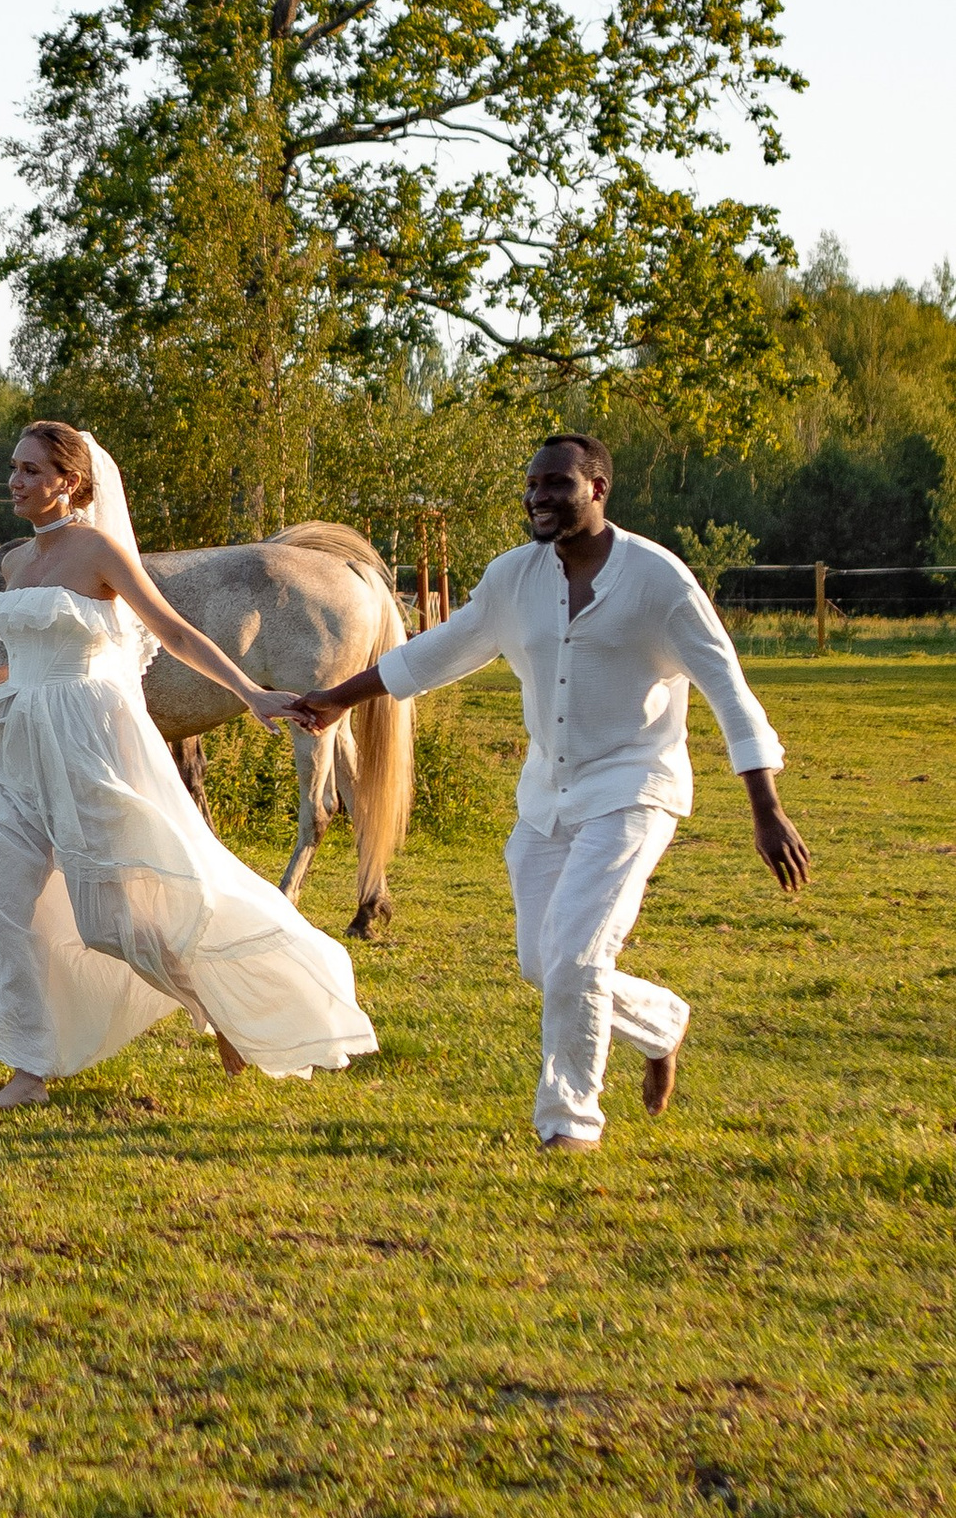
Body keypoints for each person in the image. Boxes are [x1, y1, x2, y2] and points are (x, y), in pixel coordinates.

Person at [291, 434, 807, 1150]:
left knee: (576, 956)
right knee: (545, 962)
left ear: (598, 489)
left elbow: (730, 693)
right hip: (545, 800)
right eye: (532, 485)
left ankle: (570, 1124)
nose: (538, 497)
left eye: (557, 484)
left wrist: (767, 808)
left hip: (634, 791)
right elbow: (435, 652)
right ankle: (658, 1023)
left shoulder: (660, 582)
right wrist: (341, 697)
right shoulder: (512, 579)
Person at [0, 421, 380, 1112]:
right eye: (14, 469)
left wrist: (250, 690)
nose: (15, 482)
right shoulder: (16, 564)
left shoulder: (99, 551)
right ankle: (28, 1074)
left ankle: (221, 1010)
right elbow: (24, 664)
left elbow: (171, 631)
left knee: (111, 924)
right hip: (21, 745)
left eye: (30, 471)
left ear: (71, 482)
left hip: (87, 740)